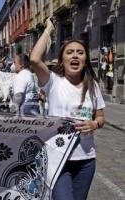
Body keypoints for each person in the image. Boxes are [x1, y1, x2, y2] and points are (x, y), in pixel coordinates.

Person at [30, 17, 105, 200]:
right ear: (62, 60)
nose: (75, 56)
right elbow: (34, 59)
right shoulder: (53, 81)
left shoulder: (93, 86)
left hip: (86, 161)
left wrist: (94, 124)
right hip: (58, 159)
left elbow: (101, 116)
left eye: (80, 52)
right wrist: (48, 29)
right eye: (70, 52)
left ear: (85, 59)